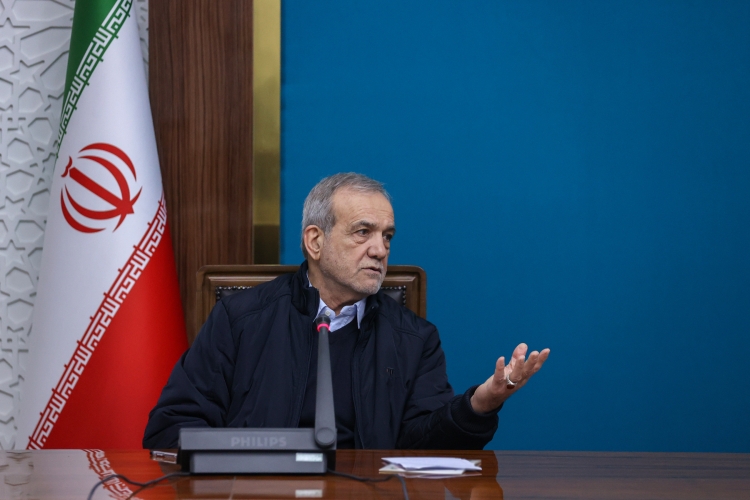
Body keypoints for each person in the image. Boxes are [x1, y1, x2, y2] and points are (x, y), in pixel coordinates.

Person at [143, 173, 549, 449]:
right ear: (315, 241)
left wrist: (479, 404)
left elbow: (425, 446)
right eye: (363, 232)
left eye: (387, 236)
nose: (380, 249)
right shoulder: (240, 318)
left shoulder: (415, 339)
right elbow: (172, 427)